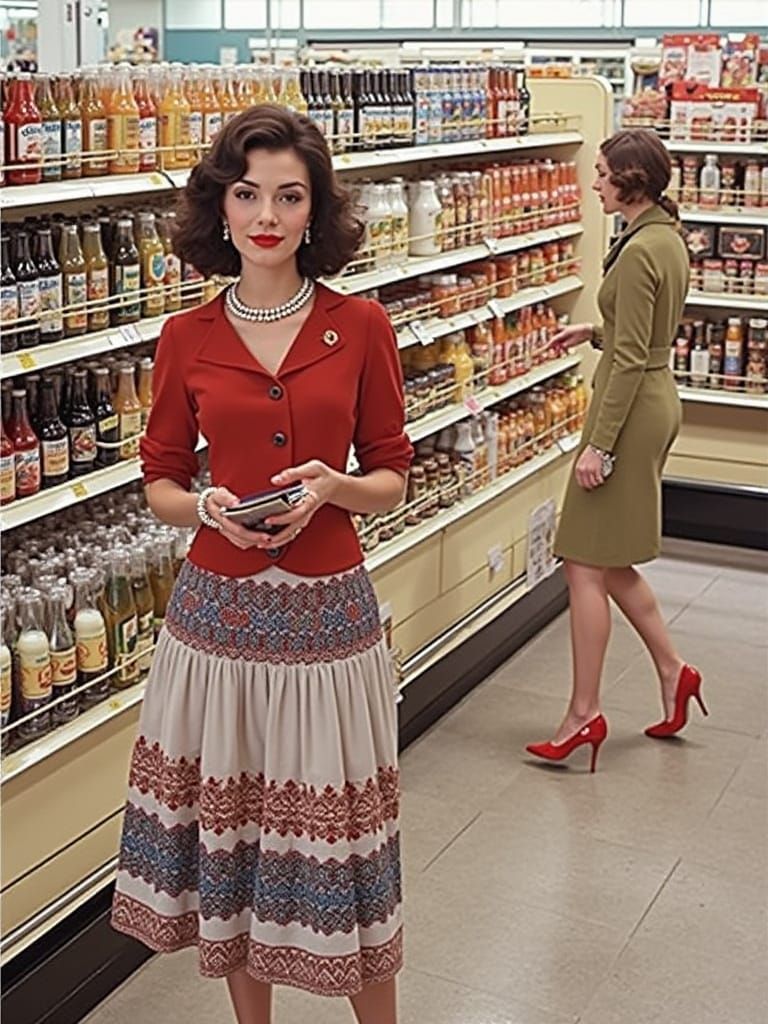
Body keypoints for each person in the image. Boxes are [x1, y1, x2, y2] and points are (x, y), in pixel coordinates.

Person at [111, 105, 412, 1024]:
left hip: (327, 616)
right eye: (248, 194)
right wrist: (205, 508)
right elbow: (159, 480)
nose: (267, 214)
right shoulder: (185, 338)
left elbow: (392, 475)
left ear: (317, 209)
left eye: (290, 194)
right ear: (221, 207)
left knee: (346, 845)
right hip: (217, 619)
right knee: (232, 839)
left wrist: (334, 488)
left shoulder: (360, 325)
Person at [525, 128, 707, 773]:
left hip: (626, 416)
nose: (594, 182)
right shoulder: (664, 237)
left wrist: (598, 446)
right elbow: (644, 335)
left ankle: (583, 715)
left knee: (581, 563)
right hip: (656, 398)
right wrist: (592, 329)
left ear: (629, 179)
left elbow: (630, 357)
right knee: (611, 560)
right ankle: (673, 670)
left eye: (602, 173)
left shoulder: (635, 252)